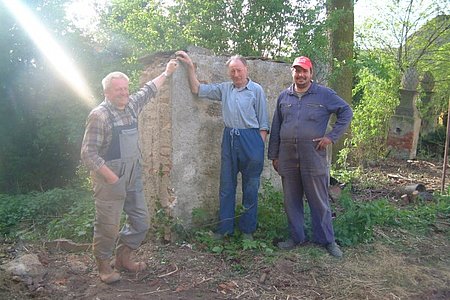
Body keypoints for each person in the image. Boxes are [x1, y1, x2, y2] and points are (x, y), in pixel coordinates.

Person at [80, 59, 178, 283]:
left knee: (141, 221)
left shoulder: (132, 105)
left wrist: (167, 72)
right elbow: (88, 153)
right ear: (107, 92)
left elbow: (149, 89)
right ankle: (104, 267)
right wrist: (111, 176)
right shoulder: (99, 116)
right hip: (110, 179)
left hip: (133, 175)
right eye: (118, 90)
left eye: (125, 88)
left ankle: (123, 257)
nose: (123, 93)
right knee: (108, 226)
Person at [175, 50, 269, 240]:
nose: (236, 74)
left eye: (239, 70)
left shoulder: (256, 90)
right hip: (229, 139)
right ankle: (225, 229)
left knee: (251, 187)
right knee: (227, 185)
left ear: (246, 69)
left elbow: (264, 122)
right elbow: (197, 90)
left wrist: (258, 145)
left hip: (251, 139)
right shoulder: (225, 89)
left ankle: (247, 231)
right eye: (232, 71)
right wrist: (190, 68)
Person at [267, 56, 353, 258]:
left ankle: (327, 240)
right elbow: (276, 127)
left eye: (304, 71)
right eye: (297, 71)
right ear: (292, 73)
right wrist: (274, 155)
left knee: (319, 199)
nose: (301, 75)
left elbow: (346, 111)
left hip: (313, 156)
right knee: (291, 200)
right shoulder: (284, 97)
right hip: (287, 157)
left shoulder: (324, 95)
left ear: (311, 73)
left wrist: (331, 137)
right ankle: (297, 237)